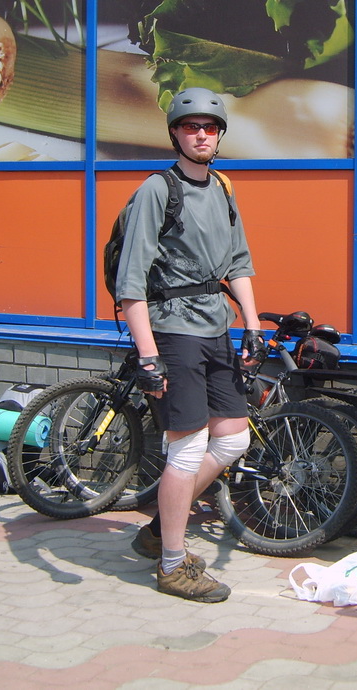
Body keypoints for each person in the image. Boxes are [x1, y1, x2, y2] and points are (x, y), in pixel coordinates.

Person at [115, 87, 265, 603]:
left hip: (216, 326)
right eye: (190, 126)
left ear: (219, 135)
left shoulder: (222, 187)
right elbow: (131, 283)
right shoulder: (157, 191)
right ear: (175, 134)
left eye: (210, 127)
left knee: (233, 439)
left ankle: (161, 529)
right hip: (173, 329)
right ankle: (173, 565)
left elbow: (239, 261)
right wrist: (148, 355)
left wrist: (252, 326)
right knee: (187, 447)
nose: (201, 135)